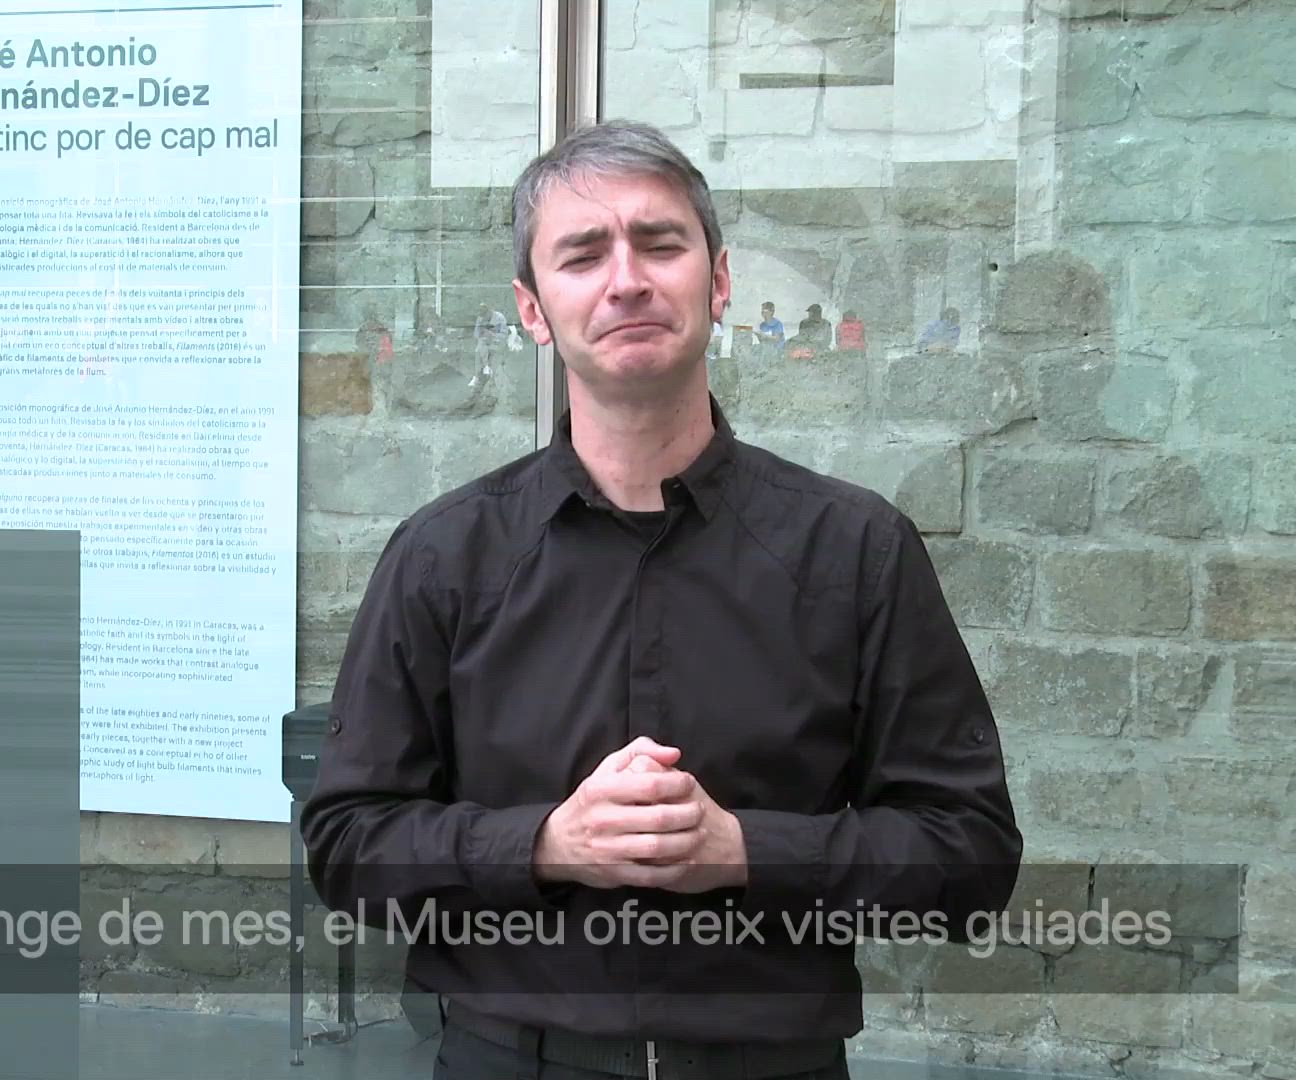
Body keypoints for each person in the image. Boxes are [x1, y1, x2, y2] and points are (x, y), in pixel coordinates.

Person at [299, 120, 1020, 1080]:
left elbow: (970, 856)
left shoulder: (855, 550)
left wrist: (744, 852)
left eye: (659, 243)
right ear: (532, 309)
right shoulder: (444, 558)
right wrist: (544, 844)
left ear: (717, 283)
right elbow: (348, 845)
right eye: (583, 255)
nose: (626, 279)